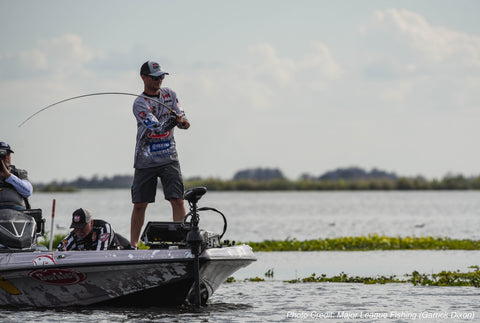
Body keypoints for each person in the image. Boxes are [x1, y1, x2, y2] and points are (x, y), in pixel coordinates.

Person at [130, 60, 191, 248]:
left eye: (162, 76)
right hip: (145, 159)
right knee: (140, 204)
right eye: (155, 77)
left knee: (178, 200)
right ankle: (133, 244)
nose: (159, 80)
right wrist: (174, 121)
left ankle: (181, 240)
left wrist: (182, 122)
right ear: (144, 78)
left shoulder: (170, 94)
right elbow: (157, 128)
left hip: (169, 158)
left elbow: (184, 118)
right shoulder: (139, 103)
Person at [57, 208, 131, 251]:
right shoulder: (74, 234)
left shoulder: (103, 227)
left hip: (115, 258)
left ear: (91, 223)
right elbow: (60, 249)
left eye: (82, 227)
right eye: (76, 227)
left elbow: (100, 255)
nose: (79, 231)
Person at [0, 141, 33, 210]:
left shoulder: (19, 173)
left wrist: (9, 176)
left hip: (18, 214)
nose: (6, 157)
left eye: (8, 154)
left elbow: (28, 191)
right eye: (2, 155)